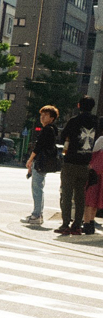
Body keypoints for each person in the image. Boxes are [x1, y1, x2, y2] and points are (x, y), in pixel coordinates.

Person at [56, 96, 98, 235]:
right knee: (81, 196)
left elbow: (63, 138)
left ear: (79, 105)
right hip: (86, 163)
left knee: (67, 194)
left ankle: (65, 224)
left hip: (71, 162)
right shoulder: (96, 122)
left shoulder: (74, 120)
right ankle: (77, 225)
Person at [21, 105, 59, 226]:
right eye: (41, 114)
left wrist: (30, 159)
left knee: (37, 188)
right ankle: (37, 214)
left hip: (40, 162)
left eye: (45, 115)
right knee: (39, 188)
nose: (42, 117)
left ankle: (36, 215)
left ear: (52, 118)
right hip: (44, 162)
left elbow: (38, 147)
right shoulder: (52, 129)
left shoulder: (47, 129)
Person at [79, 120, 103, 235]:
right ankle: (91, 223)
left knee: (89, 200)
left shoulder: (101, 139)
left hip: (94, 173)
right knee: (96, 200)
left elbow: (92, 154)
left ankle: (87, 223)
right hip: (101, 175)